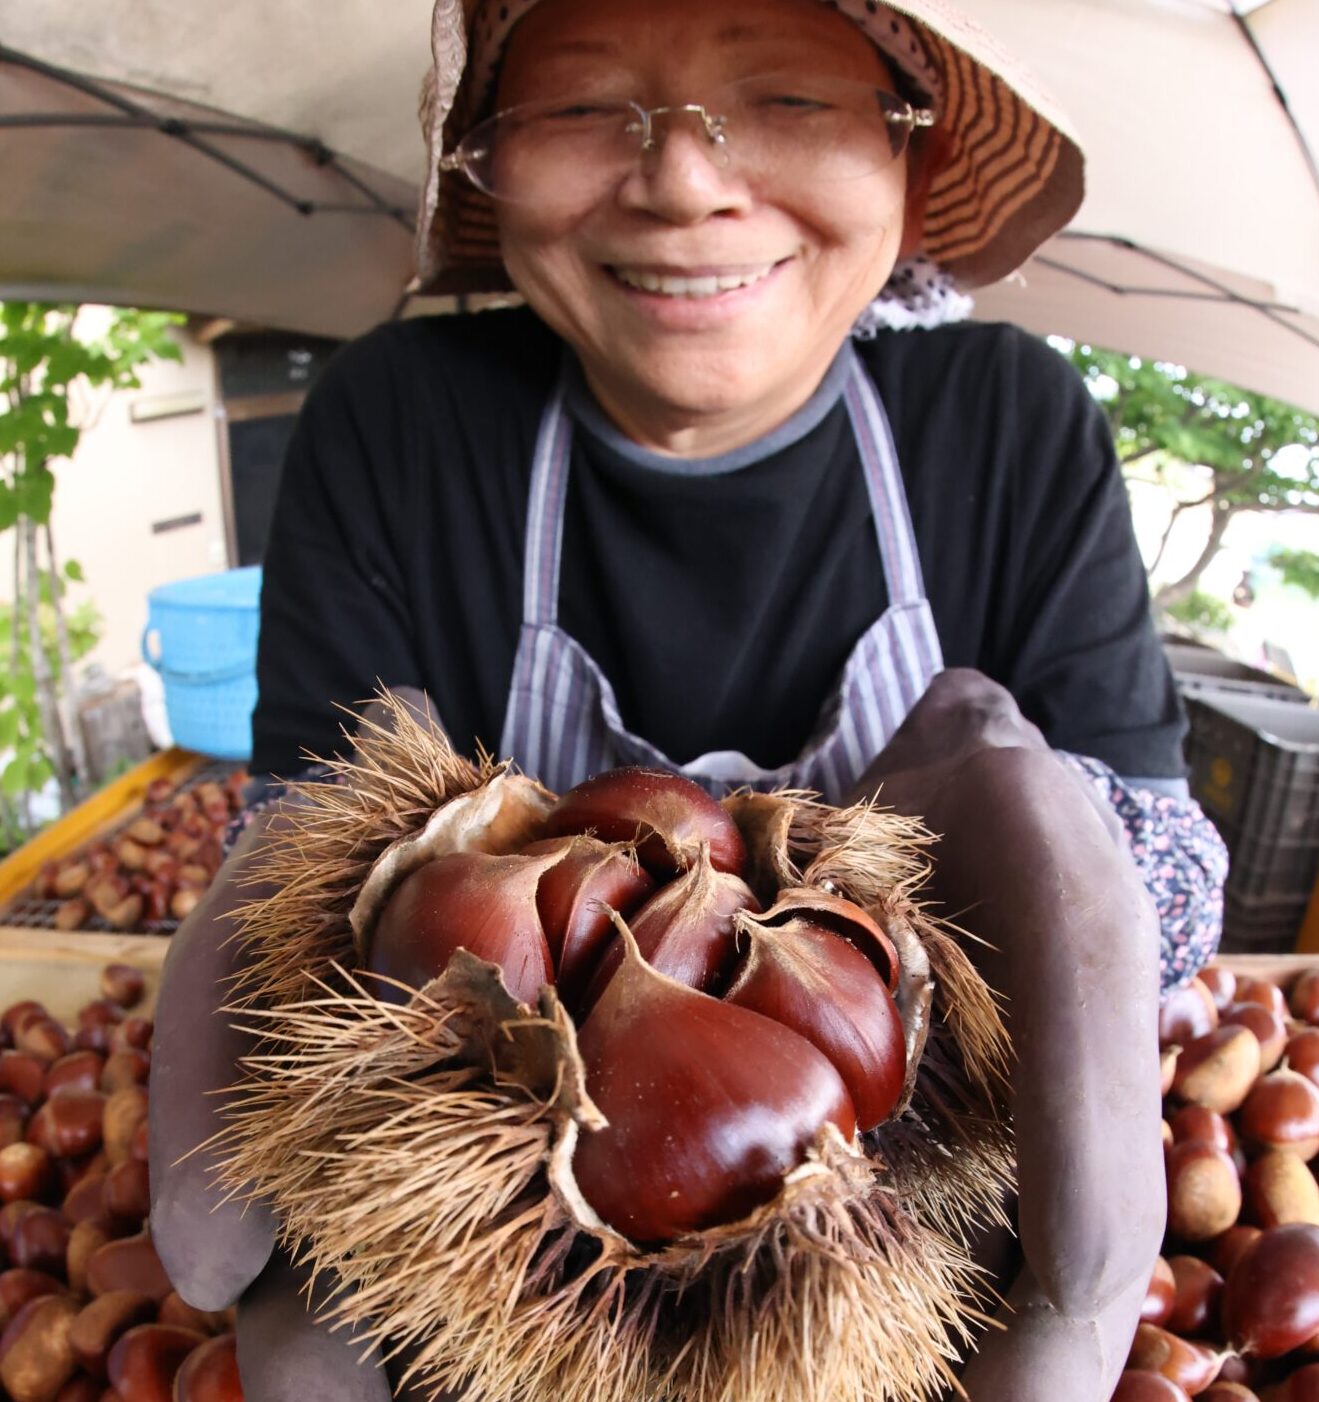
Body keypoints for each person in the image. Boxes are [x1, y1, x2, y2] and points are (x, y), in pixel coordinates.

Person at [148, 0, 1229, 1397]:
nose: (682, 179)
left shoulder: (1009, 423)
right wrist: (294, 890)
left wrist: (1067, 855)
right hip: (486, 1248)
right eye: (587, 106)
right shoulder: (392, 424)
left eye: (785, 101)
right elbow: (315, 851)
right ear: (487, 156)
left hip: (889, 1222)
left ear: (907, 153)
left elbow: (1163, 881)